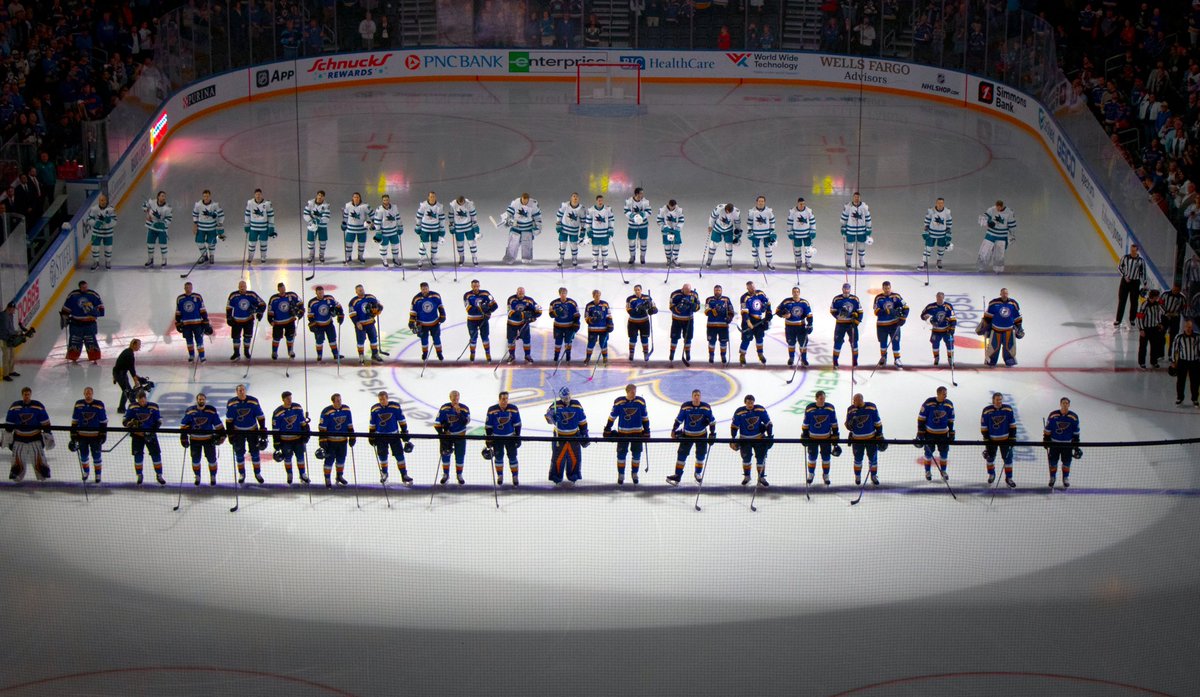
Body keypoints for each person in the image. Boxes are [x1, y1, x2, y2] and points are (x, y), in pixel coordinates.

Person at [667, 389, 717, 485]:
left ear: (700, 397)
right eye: (695, 395)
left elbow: (712, 421)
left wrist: (712, 433)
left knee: (701, 455)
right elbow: (679, 419)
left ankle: (698, 473)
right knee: (681, 455)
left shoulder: (706, 407)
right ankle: (678, 475)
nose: (696, 397)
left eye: (698, 395)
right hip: (687, 435)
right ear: (692, 396)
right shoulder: (685, 406)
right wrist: (673, 430)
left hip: (701, 435)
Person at [4, 387, 52, 482]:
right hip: (19, 439)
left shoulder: (38, 406)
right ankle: (17, 477)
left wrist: (48, 435)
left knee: (40, 463)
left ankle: (43, 476)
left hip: (35, 439)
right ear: (22, 395)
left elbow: (45, 422)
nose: (26, 396)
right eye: (25, 394)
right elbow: (9, 424)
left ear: (31, 394)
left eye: (28, 394)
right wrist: (8, 439)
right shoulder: (15, 406)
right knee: (17, 463)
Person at [605, 383, 650, 485]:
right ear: (627, 391)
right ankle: (621, 474)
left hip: (637, 434)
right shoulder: (619, 402)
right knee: (621, 455)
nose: (634, 393)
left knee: (637, 455)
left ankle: (635, 473)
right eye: (632, 391)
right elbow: (612, 416)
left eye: (635, 391)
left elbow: (645, 417)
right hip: (623, 434)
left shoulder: (640, 402)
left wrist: (647, 430)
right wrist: (608, 427)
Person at [545, 386, 588, 486]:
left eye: (568, 397)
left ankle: (573, 477)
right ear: (561, 397)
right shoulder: (555, 406)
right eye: (565, 398)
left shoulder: (577, 405)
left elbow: (582, 421)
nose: (567, 399)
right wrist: (551, 418)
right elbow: (548, 418)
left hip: (574, 437)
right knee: (558, 458)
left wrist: (584, 433)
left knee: (574, 457)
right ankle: (557, 478)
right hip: (559, 437)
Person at [369, 391, 414, 486]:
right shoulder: (374, 409)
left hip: (394, 436)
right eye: (380, 399)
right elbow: (372, 423)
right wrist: (371, 435)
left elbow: (401, 420)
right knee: (382, 456)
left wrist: (404, 431)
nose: (382, 401)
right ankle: (384, 473)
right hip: (380, 436)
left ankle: (404, 474)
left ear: (387, 398)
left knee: (399, 455)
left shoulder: (395, 407)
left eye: (383, 399)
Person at [180, 393, 225, 486]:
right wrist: (183, 437)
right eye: (199, 399)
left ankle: (213, 476)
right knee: (195, 460)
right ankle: (197, 476)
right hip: (194, 440)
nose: (201, 401)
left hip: (208, 439)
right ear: (197, 400)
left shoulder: (211, 411)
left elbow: (218, 424)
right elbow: (183, 424)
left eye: (203, 399)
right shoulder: (190, 411)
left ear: (205, 400)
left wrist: (222, 435)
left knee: (212, 459)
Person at [225, 384, 267, 485]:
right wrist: (230, 434)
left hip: (252, 430)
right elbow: (229, 420)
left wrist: (262, 429)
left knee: (255, 453)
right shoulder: (231, 403)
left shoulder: (253, 401)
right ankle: (242, 474)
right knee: (239, 453)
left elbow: (260, 416)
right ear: (236, 392)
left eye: (243, 390)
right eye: (239, 390)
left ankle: (257, 473)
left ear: (245, 391)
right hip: (238, 432)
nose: (242, 392)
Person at [123, 390, 165, 486]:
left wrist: (152, 432)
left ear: (146, 398)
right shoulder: (132, 407)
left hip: (150, 435)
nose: (142, 402)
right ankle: (139, 475)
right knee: (138, 456)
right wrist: (129, 424)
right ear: (137, 400)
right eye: (140, 401)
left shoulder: (153, 407)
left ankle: (159, 475)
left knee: (156, 455)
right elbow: (125, 420)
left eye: (143, 400)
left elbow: (159, 421)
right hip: (137, 436)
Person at [730, 395, 773, 486]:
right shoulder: (739, 412)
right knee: (746, 458)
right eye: (748, 403)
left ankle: (761, 477)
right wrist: (733, 438)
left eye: (752, 403)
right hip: (744, 439)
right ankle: (747, 476)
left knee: (761, 458)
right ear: (745, 402)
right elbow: (734, 426)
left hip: (759, 439)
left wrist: (769, 436)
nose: (750, 405)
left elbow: (769, 423)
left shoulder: (760, 410)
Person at [60, 280, 105, 363]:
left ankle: (94, 358)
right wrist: (64, 317)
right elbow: (66, 308)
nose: (85, 288)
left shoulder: (93, 295)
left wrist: (94, 312)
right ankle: (73, 358)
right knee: (75, 341)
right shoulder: (73, 295)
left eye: (86, 287)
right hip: (76, 323)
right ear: (80, 287)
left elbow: (101, 309)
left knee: (91, 341)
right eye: (83, 287)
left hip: (90, 324)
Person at [271, 391, 310, 485]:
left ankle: (302, 474)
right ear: (283, 399)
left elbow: (302, 422)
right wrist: (276, 442)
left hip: (298, 439)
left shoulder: (297, 408)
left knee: (300, 457)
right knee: (287, 458)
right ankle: (289, 474)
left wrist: (306, 431)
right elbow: (275, 429)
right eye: (287, 398)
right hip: (285, 441)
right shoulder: (277, 412)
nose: (289, 400)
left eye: (290, 398)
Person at [917, 386, 955, 482]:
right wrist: (921, 432)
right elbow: (921, 418)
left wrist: (951, 432)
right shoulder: (929, 403)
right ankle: (927, 471)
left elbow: (951, 420)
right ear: (938, 393)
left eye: (946, 393)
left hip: (943, 435)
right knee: (928, 453)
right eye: (943, 394)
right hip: (930, 434)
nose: (945, 395)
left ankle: (943, 471)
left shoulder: (949, 404)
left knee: (944, 453)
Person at [70, 387, 108, 483]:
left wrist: (103, 434)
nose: (88, 395)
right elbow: (74, 420)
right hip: (82, 436)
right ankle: (86, 472)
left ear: (92, 394)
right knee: (83, 456)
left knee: (96, 456)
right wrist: (73, 434)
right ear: (84, 393)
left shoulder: (99, 405)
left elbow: (103, 421)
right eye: (86, 393)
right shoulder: (78, 404)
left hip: (95, 437)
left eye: (89, 393)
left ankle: (98, 474)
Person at [802, 390, 840, 485]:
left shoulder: (830, 408)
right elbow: (806, 423)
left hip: (826, 438)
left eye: (823, 398)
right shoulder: (809, 408)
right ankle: (811, 474)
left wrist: (835, 434)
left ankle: (826, 475)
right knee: (812, 458)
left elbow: (834, 422)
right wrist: (805, 434)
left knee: (826, 458)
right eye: (820, 398)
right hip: (812, 438)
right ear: (816, 398)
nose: (822, 400)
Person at [845, 393, 884, 486]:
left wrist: (879, 434)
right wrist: (850, 423)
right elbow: (847, 425)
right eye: (853, 401)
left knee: (873, 460)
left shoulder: (871, 407)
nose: (853, 402)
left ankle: (873, 476)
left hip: (871, 439)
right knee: (858, 459)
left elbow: (877, 422)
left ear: (860, 400)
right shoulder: (851, 409)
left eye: (855, 401)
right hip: (857, 440)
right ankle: (857, 476)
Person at [485, 391, 522, 487]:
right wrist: (489, 439)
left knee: (513, 457)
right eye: (503, 399)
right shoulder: (491, 410)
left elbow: (517, 424)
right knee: (498, 457)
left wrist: (517, 437)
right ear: (499, 399)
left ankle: (515, 476)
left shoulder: (513, 409)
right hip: (497, 438)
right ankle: (500, 476)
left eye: (506, 398)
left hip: (510, 438)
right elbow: (488, 426)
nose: (505, 401)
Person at [980, 392, 1017, 487]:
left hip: (1005, 440)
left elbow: (1012, 425)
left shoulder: (1008, 409)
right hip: (991, 440)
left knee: (1008, 460)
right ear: (993, 400)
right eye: (997, 399)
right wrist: (986, 438)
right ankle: (991, 474)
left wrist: (1012, 437)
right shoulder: (986, 411)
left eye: (1000, 399)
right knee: (990, 458)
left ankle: (1009, 478)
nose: (999, 401)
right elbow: (984, 427)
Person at [979, 288, 1023, 367]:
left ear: (1008, 294)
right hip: (996, 330)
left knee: (1009, 347)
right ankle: (991, 361)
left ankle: (1009, 360)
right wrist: (984, 327)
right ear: (1000, 294)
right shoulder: (993, 303)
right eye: (1003, 293)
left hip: (1009, 330)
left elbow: (1017, 317)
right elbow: (988, 317)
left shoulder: (1013, 303)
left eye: (1006, 293)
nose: (1004, 294)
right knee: (993, 347)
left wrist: (1019, 327)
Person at [318, 393, 354, 488]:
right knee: (329, 460)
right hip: (331, 442)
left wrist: (352, 436)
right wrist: (323, 440)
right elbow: (322, 427)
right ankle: (327, 478)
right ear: (333, 401)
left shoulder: (346, 409)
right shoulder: (326, 412)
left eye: (340, 399)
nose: (339, 402)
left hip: (343, 441)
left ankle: (339, 476)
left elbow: (349, 424)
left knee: (341, 460)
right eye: (337, 400)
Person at [1043, 397, 1081, 489]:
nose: (1065, 404)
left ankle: (1065, 478)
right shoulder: (1053, 415)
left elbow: (1076, 433)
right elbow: (1048, 430)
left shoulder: (1074, 417)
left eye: (1067, 403)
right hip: (1054, 444)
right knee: (1053, 462)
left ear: (1069, 405)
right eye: (1063, 403)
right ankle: (1052, 477)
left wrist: (1076, 446)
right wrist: (1046, 440)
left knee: (1067, 462)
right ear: (1060, 404)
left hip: (1067, 444)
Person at [436, 391, 471, 485]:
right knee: (445, 455)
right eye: (453, 397)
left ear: (459, 397)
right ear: (450, 397)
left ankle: (459, 475)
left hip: (460, 436)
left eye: (457, 397)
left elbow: (465, 422)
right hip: (448, 437)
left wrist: (459, 412)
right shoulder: (444, 408)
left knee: (460, 456)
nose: (455, 399)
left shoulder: (465, 409)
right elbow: (437, 423)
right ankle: (445, 474)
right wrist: (443, 433)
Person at [226, 280, 266, 361]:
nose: (242, 288)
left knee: (247, 337)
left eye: (243, 286)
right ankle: (236, 353)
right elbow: (229, 307)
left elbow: (262, 304)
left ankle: (246, 352)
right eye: (240, 287)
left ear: (246, 287)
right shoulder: (233, 295)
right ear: (238, 287)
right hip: (236, 320)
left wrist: (259, 312)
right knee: (235, 337)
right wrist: (229, 317)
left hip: (248, 320)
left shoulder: (252, 295)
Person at [873, 281, 909, 368]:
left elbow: (906, 307)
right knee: (883, 343)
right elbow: (876, 311)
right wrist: (888, 311)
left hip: (894, 324)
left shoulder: (896, 296)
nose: (887, 290)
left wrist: (903, 318)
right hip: (882, 325)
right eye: (885, 288)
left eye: (888, 288)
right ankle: (883, 358)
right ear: (883, 288)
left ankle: (897, 359)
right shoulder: (878, 298)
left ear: (890, 287)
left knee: (896, 341)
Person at [776, 286, 813, 367]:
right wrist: (783, 314)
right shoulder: (786, 302)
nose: (795, 293)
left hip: (801, 327)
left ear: (799, 293)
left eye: (797, 292)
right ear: (792, 293)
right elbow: (777, 311)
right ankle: (791, 358)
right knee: (791, 343)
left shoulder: (804, 303)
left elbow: (809, 314)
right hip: (789, 327)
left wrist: (810, 324)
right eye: (794, 292)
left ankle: (804, 359)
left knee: (803, 344)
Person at [409, 282, 446, 362]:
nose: (425, 290)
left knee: (436, 339)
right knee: (424, 340)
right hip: (422, 324)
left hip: (434, 322)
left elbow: (440, 306)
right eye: (423, 289)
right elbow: (413, 311)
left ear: (428, 288)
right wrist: (411, 321)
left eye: (426, 289)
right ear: (421, 289)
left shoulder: (436, 296)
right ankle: (425, 354)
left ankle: (439, 353)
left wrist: (442, 315)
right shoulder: (416, 298)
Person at [175, 282, 212, 363]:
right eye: (186, 287)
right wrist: (177, 322)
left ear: (192, 288)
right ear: (184, 288)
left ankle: (202, 356)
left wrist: (205, 320)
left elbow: (202, 309)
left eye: (189, 287)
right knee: (189, 341)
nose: (188, 289)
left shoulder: (197, 297)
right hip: (186, 324)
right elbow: (178, 311)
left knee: (199, 340)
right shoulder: (180, 298)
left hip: (197, 323)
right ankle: (191, 356)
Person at [977, 200, 1017, 273]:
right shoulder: (991, 210)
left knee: (999, 254)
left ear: (1002, 206)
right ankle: (981, 267)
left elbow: (1012, 225)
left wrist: (1012, 235)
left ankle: (998, 269)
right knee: (984, 251)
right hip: (990, 234)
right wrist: (988, 222)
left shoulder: (1009, 212)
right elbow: (984, 218)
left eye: (999, 207)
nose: (997, 209)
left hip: (1002, 236)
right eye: (996, 207)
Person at [501, 193, 542, 265]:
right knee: (513, 243)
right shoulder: (515, 203)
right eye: (523, 200)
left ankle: (527, 258)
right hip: (516, 227)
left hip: (527, 228)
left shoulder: (533, 203)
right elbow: (508, 212)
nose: (525, 202)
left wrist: (538, 226)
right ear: (521, 198)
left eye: (526, 201)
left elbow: (537, 216)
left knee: (527, 244)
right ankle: (509, 257)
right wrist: (506, 218)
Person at [348, 284, 384, 365]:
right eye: (359, 290)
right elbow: (352, 314)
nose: (361, 291)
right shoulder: (353, 302)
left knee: (374, 339)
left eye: (362, 289)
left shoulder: (370, 297)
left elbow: (380, 305)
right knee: (360, 341)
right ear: (356, 291)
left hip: (370, 323)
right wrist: (357, 323)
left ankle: (375, 354)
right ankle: (361, 356)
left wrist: (378, 310)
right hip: (361, 325)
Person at [738, 281, 772, 365]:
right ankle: (742, 355)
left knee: (760, 338)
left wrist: (768, 313)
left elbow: (768, 303)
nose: (753, 288)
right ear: (747, 288)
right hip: (748, 320)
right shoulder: (744, 297)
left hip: (759, 321)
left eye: (753, 287)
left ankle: (760, 354)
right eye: (750, 287)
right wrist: (748, 322)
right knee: (746, 339)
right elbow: (744, 311)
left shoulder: (760, 293)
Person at [307, 286, 344, 362]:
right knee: (319, 341)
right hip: (318, 325)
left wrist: (340, 314)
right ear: (316, 293)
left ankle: (336, 354)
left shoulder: (330, 298)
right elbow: (310, 315)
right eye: (319, 292)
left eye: (322, 292)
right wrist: (312, 323)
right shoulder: (312, 302)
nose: (321, 294)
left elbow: (338, 306)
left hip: (329, 324)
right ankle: (319, 355)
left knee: (332, 339)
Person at [464, 279, 498, 362]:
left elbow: (495, 305)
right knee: (473, 338)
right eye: (474, 286)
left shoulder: (486, 293)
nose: (475, 288)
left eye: (477, 286)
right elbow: (469, 309)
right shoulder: (467, 295)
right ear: (471, 286)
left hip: (483, 320)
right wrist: (482, 308)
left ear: (479, 286)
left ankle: (488, 353)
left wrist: (489, 312)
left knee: (485, 337)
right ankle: (472, 353)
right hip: (472, 320)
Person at [505, 287, 542, 363]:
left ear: (524, 293)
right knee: (511, 340)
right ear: (516, 292)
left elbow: (539, 309)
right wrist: (523, 314)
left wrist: (532, 317)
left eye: (522, 293)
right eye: (519, 293)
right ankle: (511, 355)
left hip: (523, 324)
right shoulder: (511, 299)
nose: (521, 294)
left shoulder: (529, 300)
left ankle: (527, 355)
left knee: (527, 340)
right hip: (512, 324)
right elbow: (510, 313)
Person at [830, 282, 862, 368]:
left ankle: (855, 361)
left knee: (854, 343)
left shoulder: (855, 299)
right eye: (845, 288)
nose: (846, 290)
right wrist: (838, 316)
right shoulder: (836, 299)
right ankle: (835, 361)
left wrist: (857, 320)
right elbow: (832, 310)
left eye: (848, 289)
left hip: (851, 324)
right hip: (840, 325)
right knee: (838, 343)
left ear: (850, 289)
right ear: (842, 289)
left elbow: (860, 312)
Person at [920, 292, 957, 366]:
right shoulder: (931, 306)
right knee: (935, 344)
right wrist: (927, 318)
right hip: (936, 330)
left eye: (941, 297)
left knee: (950, 345)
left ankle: (950, 359)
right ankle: (936, 358)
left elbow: (953, 318)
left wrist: (952, 328)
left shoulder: (948, 306)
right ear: (936, 297)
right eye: (938, 297)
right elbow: (922, 315)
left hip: (947, 330)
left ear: (943, 297)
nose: (939, 299)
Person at [1115, 243, 1147, 328]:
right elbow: (1119, 267)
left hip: (1135, 283)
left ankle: (1132, 319)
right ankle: (1118, 319)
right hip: (1125, 282)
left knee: (1134, 302)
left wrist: (1145, 284)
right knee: (1122, 301)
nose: (1132, 252)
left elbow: (1143, 273)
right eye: (1131, 250)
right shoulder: (1125, 258)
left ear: (1137, 251)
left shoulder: (1141, 261)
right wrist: (1124, 276)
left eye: (1134, 250)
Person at [668, 283, 700, 365]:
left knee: (688, 338)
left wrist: (693, 305)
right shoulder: (675, 294)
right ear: (682, 289)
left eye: (689, 291)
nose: (688, 293)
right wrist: (679, 308)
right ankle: (672, 353)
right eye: (686, 291)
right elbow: (671, 307)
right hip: (676, 319)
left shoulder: (694, 294)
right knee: (674, 337)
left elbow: (698, 307)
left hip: (688, 319)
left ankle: (687, 353)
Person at [1171, 319, 1200, 406]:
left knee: (1195, 381)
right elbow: (1174, 349)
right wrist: (1173, 361)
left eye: (1190, 327)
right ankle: (1180, 398)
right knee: (1181, 381)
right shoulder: (1179, 337)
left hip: (1194, 362)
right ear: (1184, 327)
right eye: (1187, 327)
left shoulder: (1198, 336)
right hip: (1182, 362)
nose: (1188, 329)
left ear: (1192, 327)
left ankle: (1195, 399)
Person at [703, 202, 741, 270]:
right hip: (717, 229)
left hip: (728, 230)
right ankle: (709, 259)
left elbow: (737, 222)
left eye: (729, 211)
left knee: (729, 245)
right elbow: (712, 217)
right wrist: (710, 225)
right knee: (713, 244)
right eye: (726, 211)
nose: (728, 212)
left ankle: (729, 260)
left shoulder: (736, 212)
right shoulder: (719, 208)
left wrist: (737, 230)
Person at [112, 339, 145, 414]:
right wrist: (136, 381)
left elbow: (126, 367)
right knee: (127, 391)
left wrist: (137, 377)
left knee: (127, 391)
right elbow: (131, 369)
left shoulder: (128, 352)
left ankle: (125, 407)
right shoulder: (129, 354)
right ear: (134, 345)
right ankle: (129, 407)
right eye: (139, 345)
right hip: (120, 374)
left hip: (120, 373)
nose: (139, 347)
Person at [704, 285, 735, 364]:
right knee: (711, 342)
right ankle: (711, 356)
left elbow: (731, 310)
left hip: (723, 326)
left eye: (719, 290)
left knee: (723, 342)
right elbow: (706, 311)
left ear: (721, 291)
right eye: (716, 290)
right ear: (714, 291)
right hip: (711, 325)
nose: (717, 291)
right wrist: (714, 310)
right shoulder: (709, 299)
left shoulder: (726, 299)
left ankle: (723, 356)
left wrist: (730, 318)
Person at [192, 189, 225, 265]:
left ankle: (211, 255)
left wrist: (220, 224)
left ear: (210, 196)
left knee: (212, 243)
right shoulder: (198, 205)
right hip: (201, 227)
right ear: (202, 196)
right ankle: (204, 255)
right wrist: (195, 225)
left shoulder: (215, 205)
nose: (206, 198)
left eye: (207, 196)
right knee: (199, 242)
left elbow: (221, 215)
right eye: (204, 196)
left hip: (212, 228)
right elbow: (195, 214)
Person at [919, 198, 953, 271]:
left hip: (942, 234)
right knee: (928, 248)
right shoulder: (931, 211)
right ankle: (924, 262)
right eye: (938, 203)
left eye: (941, 203)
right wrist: (925, 231)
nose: (940, 204)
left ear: (943, 204)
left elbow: (949, 222)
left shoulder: (947, 212)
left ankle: (939, 261)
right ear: (936, 203)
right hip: (931, 233)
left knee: (941, 248)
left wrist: (948, 233)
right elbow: (927, 221)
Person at [85, 193, 117, 270]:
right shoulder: (94, 209)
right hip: (96, 233)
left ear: (106, 201)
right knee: (94, 248)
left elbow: (115, 222)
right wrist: (96, 223)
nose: (103, 202)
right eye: (101, 200)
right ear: (99, 201)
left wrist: (107, 220)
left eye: (104, 200)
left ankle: (108, 262)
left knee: (108, 248)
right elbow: (89, 219)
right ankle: (96, 262)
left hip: (108, 233)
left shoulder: (111, 210)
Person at [840, 192, 872, 269]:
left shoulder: (864, 207)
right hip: (851, 230)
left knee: (861, 246)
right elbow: (844, 217)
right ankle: (848, 260)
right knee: (850, 246)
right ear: (853, 197)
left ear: (860, 198)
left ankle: (861, 260)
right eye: (855, 197)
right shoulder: (848, 206)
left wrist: (869, 228)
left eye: (858, 197)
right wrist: (843, 227)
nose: (856, 198)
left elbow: (868, 218)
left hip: (862, 230)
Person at [548, 287, 581, 364]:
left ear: (566, 294)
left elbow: (577, 314)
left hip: (569, 327)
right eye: (562, 293)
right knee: (558, 343)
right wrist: (556, 312)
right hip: (558, 327)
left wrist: (576, 322)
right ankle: (556, 357)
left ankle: (568, 357)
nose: (563, 295)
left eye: (565, 293)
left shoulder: (572, 303)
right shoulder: (553, 303)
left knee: (568, 343)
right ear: (559, 294)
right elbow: (551, 315)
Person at [243, 188, 275, 264]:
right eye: (256, 194)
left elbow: (271, 215)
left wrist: (271, 226)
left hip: (263, 228)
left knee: (263, 243)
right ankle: (250, 257)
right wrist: (246, 224)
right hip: (253, 228)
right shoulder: (250, 203)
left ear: (261, 195)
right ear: (254, 195)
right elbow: (247, 214)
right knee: (251, 243)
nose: (258, 196)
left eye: (259, 194)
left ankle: (263, 257)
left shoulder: (267, 203)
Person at [626, 285, 657, 361]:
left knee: (644, 338)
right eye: (635, 290)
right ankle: (631, 353)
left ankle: (646, 353)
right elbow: (629, 310)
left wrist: (652, 310)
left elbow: (655, 307)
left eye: (638, 290)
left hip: (644, 322)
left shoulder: (647, 298)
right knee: (632, 338)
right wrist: (637, 310)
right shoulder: (630, 299)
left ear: (641, 290)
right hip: (633, 322)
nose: (637, 291)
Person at [141, 190, 172, 267]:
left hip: (162, 229)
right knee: (150, 244)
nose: (163, 197)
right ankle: (150, 259)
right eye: (162, 196)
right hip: (152, 227)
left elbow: (169, 219)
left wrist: (162, 222)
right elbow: (144, 206)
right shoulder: (152, 202)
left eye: (164, 196)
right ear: (158, 197)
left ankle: (164, 259)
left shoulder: (168, 208)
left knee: (163, 245)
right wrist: (148, 212)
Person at [372, 194, 404, 268]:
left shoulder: (394, 207)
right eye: (384, 200)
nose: (386, 201)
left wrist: (400, 227)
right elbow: (377, 221)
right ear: (382, 201)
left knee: (395, 246)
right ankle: (384, 260)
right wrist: (378, 232)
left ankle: (395, 259)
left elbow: (398, 217)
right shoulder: (379, 209)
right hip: (384, 233)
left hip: (393, 231)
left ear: (389, 200)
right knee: (383, 247)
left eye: (387, 199)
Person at [1136, 288, 1166, 369]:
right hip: (1145, 329)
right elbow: (1139, 317)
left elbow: (1160, 314)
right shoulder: (1144, 304)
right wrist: (1141, 329)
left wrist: (1159, 324)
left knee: (1155, 346)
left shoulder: (1157, 304)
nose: (1158, 298)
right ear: (1153, 297)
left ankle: (1154, 361)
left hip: (1154, 329)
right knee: (1143, 347)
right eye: (1157, 297)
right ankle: (1142, 362)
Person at [415, 191, 446, 268]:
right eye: (431, 196)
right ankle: (421, 259)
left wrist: (442, 230)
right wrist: (418, 226)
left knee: (434, 245)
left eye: (433, 196)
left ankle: (433, 258)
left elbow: (442, 218)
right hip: (425, 229)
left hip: (435, 229)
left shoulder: (439, 206)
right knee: (423, 245)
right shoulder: (424, 205)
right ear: (428, 197)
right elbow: (418, 216)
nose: (432, 198)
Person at [555, 192, 585, 268]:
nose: (575, 198)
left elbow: (583, 220)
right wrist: (558, 224)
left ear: (579, 199)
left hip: (574, 230)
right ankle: (561, 258)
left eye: (576, 197)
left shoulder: (581, 209)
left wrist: (582, 229)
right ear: (571, 198)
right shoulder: (565, 205)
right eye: (574, 196)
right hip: (564, 229)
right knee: (562, 244)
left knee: (573, 245)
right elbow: (559, 214)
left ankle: (574, 259)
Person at [746, 195, 777, 270]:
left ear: (764, 202)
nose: (761, 203)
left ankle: (769, 262)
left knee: (769, 249)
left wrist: (772, 230)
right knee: (754, 249)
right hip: (755, 234)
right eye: (759, 201)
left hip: (766, 234)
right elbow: (749, 223)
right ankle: (756, 262)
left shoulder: (769, 211)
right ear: (757, 202)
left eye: (762, 201)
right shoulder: (752, 211)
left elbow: (772, 221)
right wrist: (750, 231)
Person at [586, 194, 616, 269]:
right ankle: (595, 261)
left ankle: (604, 260)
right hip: (595, 234)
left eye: (601, 200)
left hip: (604, 233)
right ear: (596, 201)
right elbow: (588, 222)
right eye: (599, 200)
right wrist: (589, 232)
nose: (600, 202)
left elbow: (611, 220)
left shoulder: (607, 209)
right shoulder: (591, 210)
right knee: (595, 248)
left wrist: (611, 229)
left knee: (604, 248)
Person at [787, 197, 817, 271]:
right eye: (800, 204)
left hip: (807, 234)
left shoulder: (809, 211)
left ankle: (808, 262)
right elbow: (789, 222)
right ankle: (799, 261)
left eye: (803, 204)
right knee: (797, 249)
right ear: (797, 203)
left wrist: (813, 231)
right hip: (796, 234)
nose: (802, 205)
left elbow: (812, 221)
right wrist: (790, 232)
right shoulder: (792, 211)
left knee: (808, 249)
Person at [584, 289, 613, 365]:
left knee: (603, 343)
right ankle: (588, 358)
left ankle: (605, 358)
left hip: (603, 329)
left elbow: (609, 315)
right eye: (596, 295)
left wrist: (610, 324)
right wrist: (591, 320)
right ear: (593, 296)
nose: (597, 296)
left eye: (598, 295)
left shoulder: (605, 304)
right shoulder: (589, 305)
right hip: (592, 329)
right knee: (591, 343)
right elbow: (586, 316)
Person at [342, 192, 373, 265]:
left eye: (357, 197)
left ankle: (360, 256)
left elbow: (372, 214)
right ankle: (348, 257)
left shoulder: (365, 206)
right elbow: (346, 216)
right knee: (349, 244)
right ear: (352, 198)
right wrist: (344, 223)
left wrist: (374, 223)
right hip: (350, 229)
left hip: (362, 229)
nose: (356, 198)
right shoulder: (348, 205)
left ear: (360, 198)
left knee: (361, 244)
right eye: (354, 197)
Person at [624, 187, 652, 265]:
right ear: (636, 194)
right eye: (641, 193)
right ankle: (632, 256)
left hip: (643, 226)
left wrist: (642, 215)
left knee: (643, 241)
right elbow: (626, 211)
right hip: (632, 225)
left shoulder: (646, 202)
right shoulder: (629, 201)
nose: (642, 195)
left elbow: (649, 211)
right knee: (631, 241)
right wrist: (634, 216)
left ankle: (642, 256)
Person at [449, 195, 480, 266]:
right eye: (460, 203)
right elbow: (451, 215)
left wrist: (475, 227)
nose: (461, 204)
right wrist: (451, 226)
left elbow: (473, 215)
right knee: (460, 244)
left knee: (472, 243)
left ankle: (474, 257)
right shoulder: (453, 205)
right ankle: (461, 256)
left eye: (462, 203)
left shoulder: (469, 204)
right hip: (458, 228)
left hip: (468, 227)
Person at [302, 190, 331, 263]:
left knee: (323, 241)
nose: (320, 197)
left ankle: (321, 255)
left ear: (324, 197)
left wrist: (318, 221)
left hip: (322, 227)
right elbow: (305, 214)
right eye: (319, 195)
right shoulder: (310, 203)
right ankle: (310, 255)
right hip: (312, 226)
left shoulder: (326, 205)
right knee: (310, 241)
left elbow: (326, 217)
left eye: (321, 196)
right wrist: (311, 221)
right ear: (316, 195)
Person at [656, 199, 685, 268]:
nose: (672, 208)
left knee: (677, 244)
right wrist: (664, 227)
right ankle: (669, 260)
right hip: (667, 231)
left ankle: (675, 259)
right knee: (667, 245)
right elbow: (659, 220)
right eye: (671, 206)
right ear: (668, 204)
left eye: (673, 207)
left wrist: (677, 228)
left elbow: (681, 220)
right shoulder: (662, 210)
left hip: (675, 230)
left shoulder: (679, 210)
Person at [1162, 283, 1187, 356]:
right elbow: (1160, 304)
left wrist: (1177, 313)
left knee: (1173, 337)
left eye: (1176, 290)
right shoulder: (1165, 294)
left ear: (1179, 290)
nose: (1174, 291)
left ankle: (1170, 355)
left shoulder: (1182, 297)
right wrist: (1166, 313)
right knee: (1161, 335)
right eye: (1173, 289)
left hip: (1175, 319)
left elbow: (1184, 308)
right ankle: (1160, 354)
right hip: (1165, 317)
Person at [0, 303, 21, 382]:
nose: (14, 311)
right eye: (13, 309)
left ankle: (11, 371)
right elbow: (6, 329)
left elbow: (11, 327)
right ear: (9, 308)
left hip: (9, 338)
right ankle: (5, 375)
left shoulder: (10, 315)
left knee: (12, 355)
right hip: (3, 339)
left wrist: (14, 333)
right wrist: (15, 333)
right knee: (6, 356)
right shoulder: (4, 316)